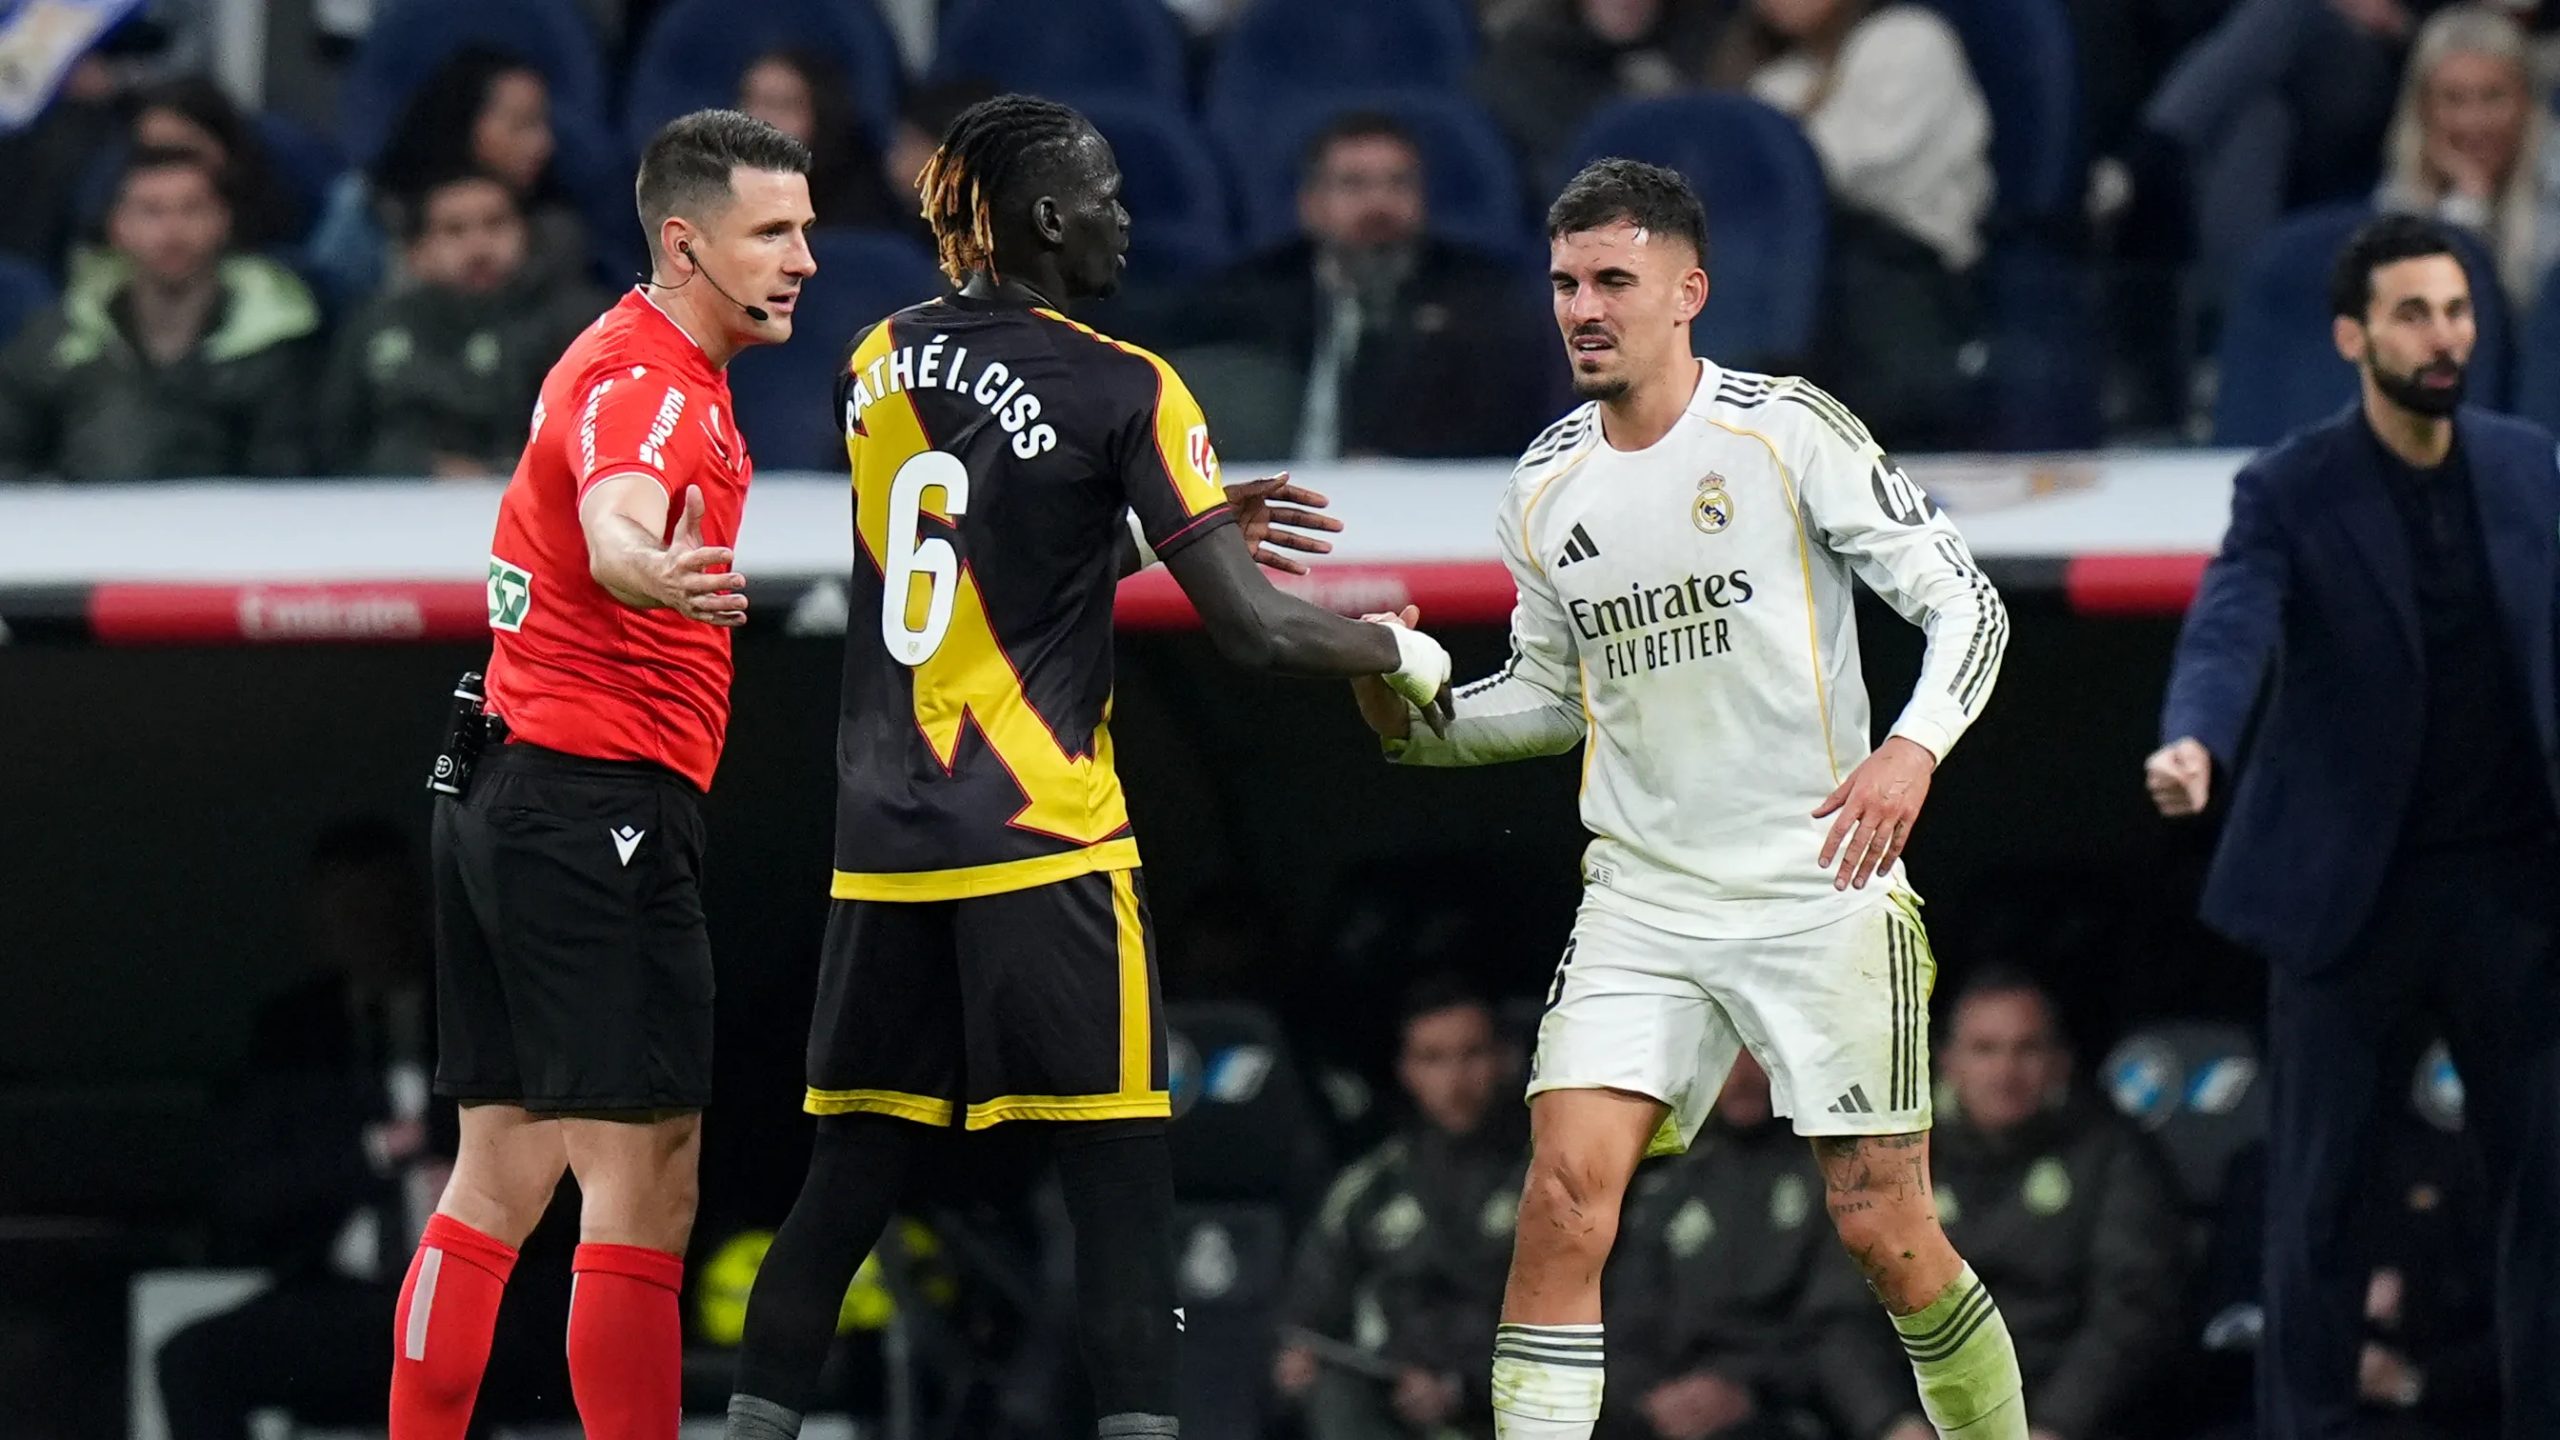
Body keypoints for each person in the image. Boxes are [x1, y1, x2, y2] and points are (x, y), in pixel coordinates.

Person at [720, 92, 1457, 1440]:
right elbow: (1253, 630)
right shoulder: (1127, 382)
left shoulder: (873, 359)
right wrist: (1396, 652)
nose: (1127, 217)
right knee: (1119, 1190)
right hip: (1040, 838)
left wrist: (1179, 529)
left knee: (846, 1183)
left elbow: (985, 565)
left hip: (883, 846)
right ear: (1051, 217)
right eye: (1108, 196)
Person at [1350, 157, 2024, 1440]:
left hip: (1817, 882)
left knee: (1885, 1233)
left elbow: (1966, 604)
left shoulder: (1786, 431)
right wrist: (1399, 711)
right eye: (1565, 284)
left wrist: (1912, 748)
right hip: (1644, 900)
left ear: (1687, 292)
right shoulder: (1542, 486)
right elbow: (1546, 701)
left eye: (1613, 280)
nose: (1583, 309)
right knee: (1562, 1200)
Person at [393, 109, 818, 1440]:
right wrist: (648, 567)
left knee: (499, 1173)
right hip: (596, 809)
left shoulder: (624, 354)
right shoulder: (652, 383)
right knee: (647, 1184)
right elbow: (616, 517)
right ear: (685, 245)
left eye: (805, 229)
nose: (803, 259)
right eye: (772, 233)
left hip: (508, 793)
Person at [2147, 211, 2560, 1440]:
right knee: (2320, 1205)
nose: (2444, 337)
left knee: (2546, 1197)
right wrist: (2196, 738)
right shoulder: (2290, 486)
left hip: (2510, 888)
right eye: (2413, 314)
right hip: (2351, 896)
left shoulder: (2525, 465)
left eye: (2457, 310)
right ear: (2352, 336)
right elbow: (2229, 623)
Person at [1148, 111, 1551, 461]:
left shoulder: (1478, 297)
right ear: (1310, 204)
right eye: (1353, 184)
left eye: (1398, 184)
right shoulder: (1247, 296)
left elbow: (1503, 430)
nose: (1379, 204)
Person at [1897, 972, 2184, 1440]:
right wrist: (1890, 1421)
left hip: (2068, 1418)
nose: (2005, 1073)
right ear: (1948, 1062)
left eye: (2026, 1049)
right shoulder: (1898, 1155)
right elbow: (1847, 1311)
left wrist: (2055, 1423)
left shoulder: (2113, 1153)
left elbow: (2133, 1308)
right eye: (1985, 1050)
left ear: (2060, 1062)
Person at [1713, 0, 1992, 443]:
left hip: (1909, 284)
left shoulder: (1908, 40)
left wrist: (1761, 163)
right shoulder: (1774, 75)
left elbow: (1835, 171)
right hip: (1800, 284)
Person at [1605, 1051, 1913, 1440]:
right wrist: (1652, 1398)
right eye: (1726, 1055)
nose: (1742, 1075)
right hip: (1669, 1404)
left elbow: (1840, 1334)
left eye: (1756, 1053)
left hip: (1788, 1408)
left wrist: (1751, 1388)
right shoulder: (1668, 1188)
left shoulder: (1843, 1178)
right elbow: (1627, 1327)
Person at [1274, 979, 1527, 1440]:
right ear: (1407, 1071)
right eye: (1433, 1059)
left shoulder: (1561, 1180)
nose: (1455, 1079)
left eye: (1472, 1055)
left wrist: (1462, 1388)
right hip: (1393, 1410)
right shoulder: (1368, 1190)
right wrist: (1297, 1364)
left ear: (1505, 1060)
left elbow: (1611, 1323)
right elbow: (1308, 1318)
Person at [0, 145, 319, 481]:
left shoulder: (278, 341)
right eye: (152, 211)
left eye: (191, 209)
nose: (172, 230)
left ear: (223, 221)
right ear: (118, 226)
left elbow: (289, 469)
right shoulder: (57, 341)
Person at [320, 170, 606, 477]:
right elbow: (332, 445)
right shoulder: (374, 325)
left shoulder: (581, 325)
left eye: (495, 224)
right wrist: (419, 468)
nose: (479, 246)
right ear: (417, 251)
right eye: (454, 230)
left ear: (526, 234)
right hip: (389, 500)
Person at [308, 47, 591, 306]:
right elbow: (330, 305)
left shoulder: (557, 227)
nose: (544, 144)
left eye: (495, 223)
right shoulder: (368, 207)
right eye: (521, 125)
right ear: (464, 119)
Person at [2375, 5, 2560, 308]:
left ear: (2527, 104)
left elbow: (2498, 318)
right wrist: (2467, 202)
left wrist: (2468, 217)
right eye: (2454, 99)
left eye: (2493, 97)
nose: (2474, 122)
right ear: (2423, 110)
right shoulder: (2399, 197)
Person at [735, 49, 905, 230]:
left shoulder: (865, 212)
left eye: (783, 106)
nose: (759, 119)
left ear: (822, 117)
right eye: (750, 101)